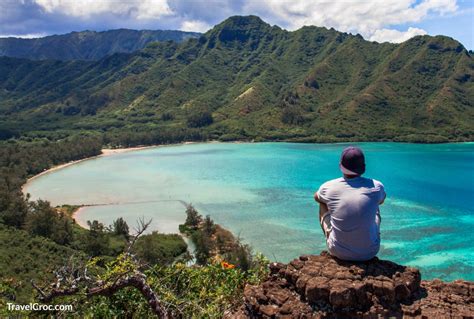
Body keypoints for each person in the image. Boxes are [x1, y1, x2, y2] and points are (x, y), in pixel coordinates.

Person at [314, 146, 386, 261]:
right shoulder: (376, 186)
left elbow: (316, 197)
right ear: (363, 168)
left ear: (340, 166)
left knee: (323, 203)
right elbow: (382, 200)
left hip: (338, 252)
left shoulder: (328, 186)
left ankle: (333, 238)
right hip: (370, 252)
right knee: (375, 205)